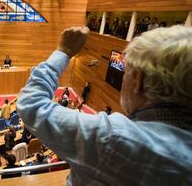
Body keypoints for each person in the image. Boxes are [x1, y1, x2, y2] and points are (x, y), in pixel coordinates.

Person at [17, 26, 192, 185]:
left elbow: (31, 104)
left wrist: (64, 51)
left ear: (138, 80)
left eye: (126, 73)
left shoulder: (111, 137)